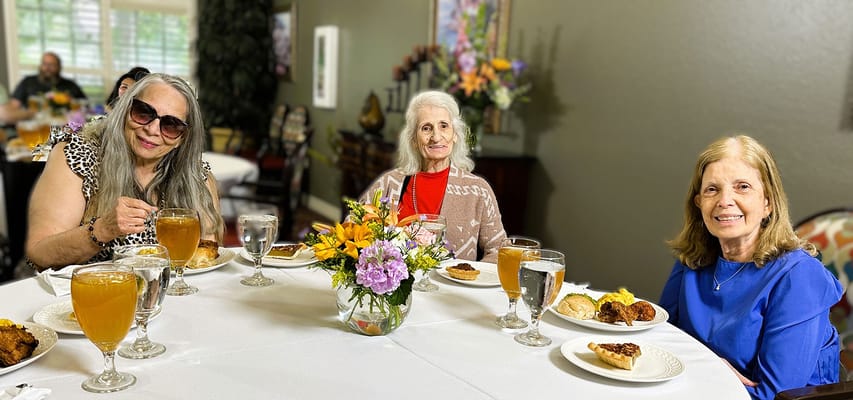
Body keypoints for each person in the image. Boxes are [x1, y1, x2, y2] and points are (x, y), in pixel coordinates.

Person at [659, 135, 842, 399]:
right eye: (712, 189)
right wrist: (707, 367)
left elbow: (776, 396)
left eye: (742, 187)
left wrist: (706, 369)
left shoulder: (798, 276)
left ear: (768, 202)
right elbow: (660, 344)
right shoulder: (694, 258)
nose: (725, 200)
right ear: (699, 202)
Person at [25, 73, 223, 271]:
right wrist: (102, 230)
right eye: (144, 113)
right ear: (126, 109)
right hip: (91, 292)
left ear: (182, 138)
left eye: (171, 125)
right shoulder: (78, 155)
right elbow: (39, 253)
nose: (153, 129)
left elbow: (207, 256)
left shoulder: (197, 176)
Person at [360, 90, 506, 262]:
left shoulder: (477, 190)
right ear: (414, 139)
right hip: (398, 287)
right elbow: (354, 228)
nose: (436, 137)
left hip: (452, 287)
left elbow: (499, 250)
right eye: (426, 128)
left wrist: (471, 278)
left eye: (444, 126)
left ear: (455, 135)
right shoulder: (389, 183)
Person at [9, 52, 87, 110]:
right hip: (35, 127)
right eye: (44, 64)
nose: (47, 68)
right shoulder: (27, 82)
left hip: (64, 128)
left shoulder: (71, 85)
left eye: (52, 65)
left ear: (59, 67)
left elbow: (85, 106)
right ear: (40, 66)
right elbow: (13, 106)